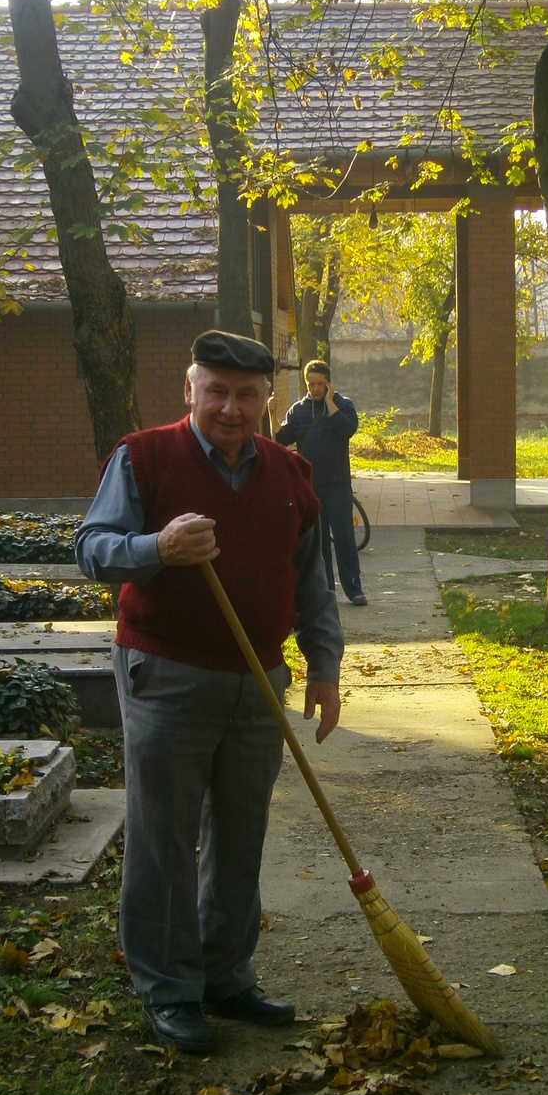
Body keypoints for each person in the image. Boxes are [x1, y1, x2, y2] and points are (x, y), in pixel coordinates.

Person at [75, 331, 345, 1054]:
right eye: (216, 390)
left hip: (259, 678)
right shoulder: (143, 457)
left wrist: (325, 666)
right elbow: (92, 549)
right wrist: (155, 548)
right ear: (188, 389)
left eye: (246, 394)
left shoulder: (291, 472)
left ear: (267, 400)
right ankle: (169, 991)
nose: (230, 407)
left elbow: (310, 582)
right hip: (166, 673)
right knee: (164, 837)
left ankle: (227, 976)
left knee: (240, 830)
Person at [273, 360, 367, 606]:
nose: (314, 389)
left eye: (319, 384)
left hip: (338, 484)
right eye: (310, 384)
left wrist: (330, 403)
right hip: (311, 486)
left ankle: (354, 589)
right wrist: (271, 413)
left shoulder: (343, 405)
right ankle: (326, 590)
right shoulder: (298, 410)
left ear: (328, 383)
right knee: (319, 542)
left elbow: (348, 429)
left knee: (345, 537)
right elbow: (281, 439)